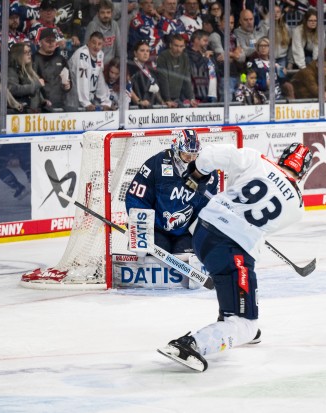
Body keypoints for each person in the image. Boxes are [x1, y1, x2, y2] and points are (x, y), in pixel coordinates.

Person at [157, 141, 313, 372]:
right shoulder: (297, 209)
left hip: (202, 232)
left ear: (282, 157)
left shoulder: (255, 159)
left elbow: (210, 155)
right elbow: (259, 226)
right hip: (231, 248)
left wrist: (197, 173)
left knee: (230, 282)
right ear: (303, 172)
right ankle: (190, 344)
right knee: (246, 325)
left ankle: (228, 321)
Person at [124, 129, 219, 258]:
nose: (191, 160)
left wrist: (202, 233)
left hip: (185, 232)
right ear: (176, 151)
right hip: (156, 229)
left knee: (187, 259)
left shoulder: (208, 173)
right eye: (186, 156)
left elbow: (206, 208)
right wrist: (140, 229)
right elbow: (137, 197)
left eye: (195, 155)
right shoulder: (157, 163)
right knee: (154, 261)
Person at [66, 31, 112, 111]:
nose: (96, 46)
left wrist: (105, 101)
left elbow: (99, 78)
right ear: (88, 42)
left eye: (99, 44)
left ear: (103, 45)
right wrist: (86, 103)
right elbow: (82, 78)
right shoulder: (82, 54)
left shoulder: (100, 54)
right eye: (94, 43)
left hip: (89, 100)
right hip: (74, 100)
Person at [32, 27, 72, 111]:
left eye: (53, 40)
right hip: (41, 107)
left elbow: (69, 82)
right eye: (47, 41)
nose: (51, 43)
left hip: (60, 105)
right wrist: (41, 101)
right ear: (40, 42)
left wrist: (67, 86)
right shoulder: (33, 59)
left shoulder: (61, 59)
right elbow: (32, 85)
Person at [155, 33, 197, 107]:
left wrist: (191, 98)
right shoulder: (163, 57)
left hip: (176, 97)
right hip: (161, 99)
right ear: (170, 45)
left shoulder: (185, 57)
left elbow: (187, 79)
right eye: (176, 46)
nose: (178, 49)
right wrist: (167, 99)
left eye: (181, 46)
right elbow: (163, 80)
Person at [8, 42, 48, 113]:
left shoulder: (29, 70)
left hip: (33, 112)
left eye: (29, 52)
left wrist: (42, 101)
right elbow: (14, 89)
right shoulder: (11, 70)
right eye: (25, 52)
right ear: (18, 54)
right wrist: (36, 84)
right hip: (20, 113)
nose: (29, 54)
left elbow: (35, 90)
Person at [129, 40, 163, 108]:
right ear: (135, 53)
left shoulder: (149, 69)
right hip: (134, 108)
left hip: (148, 106)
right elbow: (127, 87)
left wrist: (162, 102)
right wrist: (138, 101)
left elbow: (155, 88)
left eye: (147, 51)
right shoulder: (130, 68)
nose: (145, 53)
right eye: (142, 50)